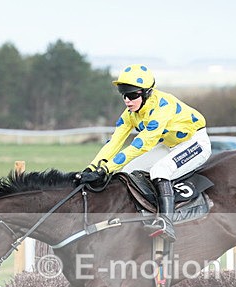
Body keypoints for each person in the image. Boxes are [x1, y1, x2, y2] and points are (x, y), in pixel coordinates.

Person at [79, 64, 211, 242]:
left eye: (133, 95)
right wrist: (93, 168)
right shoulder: (130, 114)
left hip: (195, 143)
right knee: (124, 172)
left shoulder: (162, 108)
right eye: (124, 94)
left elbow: (140, 145)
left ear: (147, 93)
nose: (127, 100)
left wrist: (106, 169)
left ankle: (167, 222)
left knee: (160, 171)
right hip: (170, 145)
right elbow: (114, 142)